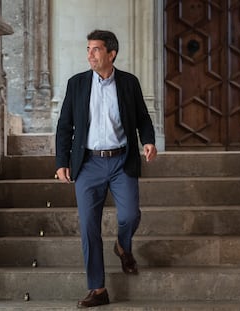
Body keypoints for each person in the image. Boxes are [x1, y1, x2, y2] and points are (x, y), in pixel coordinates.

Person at [55, 29, 157, 308]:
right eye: (88, 48)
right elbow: (65, 126)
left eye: (96, 49)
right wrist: (61, 162)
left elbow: (143, 119)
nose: (90, 54)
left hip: (121, 160)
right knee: (89, 227)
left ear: (111, 54)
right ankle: (98, 289)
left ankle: (123, 244)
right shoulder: (76, 84)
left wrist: (148, 141)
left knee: (130, 215)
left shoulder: (128, 83)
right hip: (88, 164)